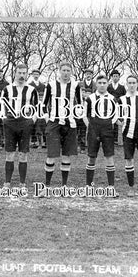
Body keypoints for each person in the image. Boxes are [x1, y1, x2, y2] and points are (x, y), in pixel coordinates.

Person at [40, 61, 82, 190]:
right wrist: (48, 119)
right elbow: (43, 105)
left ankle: (64, 185)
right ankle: (47, 186)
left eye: (68, 70)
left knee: (66, 155)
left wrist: (76, 116)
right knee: (51, 155)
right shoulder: (51, 85)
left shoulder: (76, 85)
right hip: (54, 123)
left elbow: (80, 104)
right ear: (59, 71)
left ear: (71, 72)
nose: (65, 73)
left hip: (69, 123)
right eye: (63, 70)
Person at [0, 64, 38, 189]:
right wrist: (4, 118)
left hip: (25, 123)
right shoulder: (7, 89)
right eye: (19, 73)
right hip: (10, 123)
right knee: (9, 154)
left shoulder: (32, 90)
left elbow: (37, 107)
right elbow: (1, 105)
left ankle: (22, 183)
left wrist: (32, 120)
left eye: (24, 73)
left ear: (27, 74)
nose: (22, 75)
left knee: (23, 154)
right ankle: (7, 182)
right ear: (15, 74)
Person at [83, 75, 119, 195]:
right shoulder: (90, 98)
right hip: (94, 127)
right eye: (100, 83)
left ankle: (111, 187)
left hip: (107, 128)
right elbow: (84, 114)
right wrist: (90, 126)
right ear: (96, 84)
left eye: (104, 83)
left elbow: (116, 114)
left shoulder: (113, 98)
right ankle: (88, 187)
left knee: (109, 156)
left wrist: (109, 123)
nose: (102, 85)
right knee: (91, 157)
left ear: (107, 84)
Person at [107, 69, 126, 145]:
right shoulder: (108, 87)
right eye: (114, 76)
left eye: (117, 76)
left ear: (119, 78)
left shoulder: (122, 87)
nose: (115, 78)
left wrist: (119, 101)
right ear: (111, 77)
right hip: (110, 107)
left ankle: (118, 140)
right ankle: (110, 139)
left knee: (118, 122)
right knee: (110, 122)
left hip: (119, 108)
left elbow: (124, 97)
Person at [28, 69, 46, 148]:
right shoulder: (29, 85)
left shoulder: (42, 85)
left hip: (42, 107)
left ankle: (45, 142)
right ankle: (34, 141)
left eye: (37, 74)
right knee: (33, 124)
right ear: (32, 75)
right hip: (33, 105)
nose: (36, 76)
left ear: (39, 75)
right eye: (34, 74)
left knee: (43, 124)